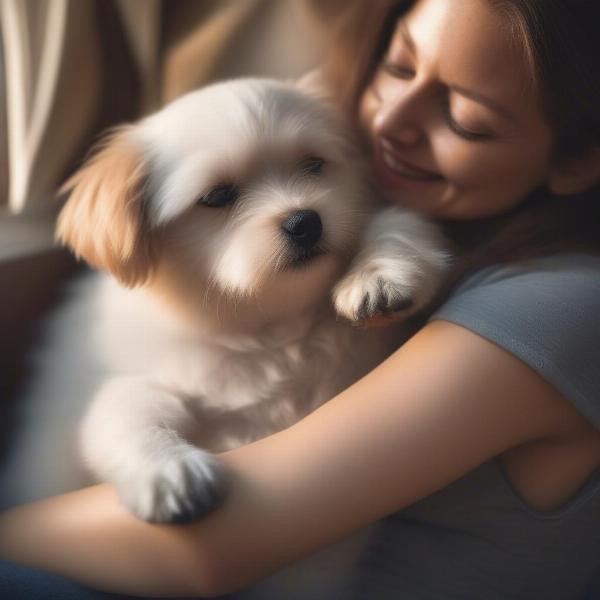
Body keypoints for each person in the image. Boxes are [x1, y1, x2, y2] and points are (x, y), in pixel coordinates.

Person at [1, 0, 600, 598]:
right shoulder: (408, 236)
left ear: (578, 160)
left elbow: (209, 552)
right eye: (398, 66)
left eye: (467, 118)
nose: (392, 123)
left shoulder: (559, 309)